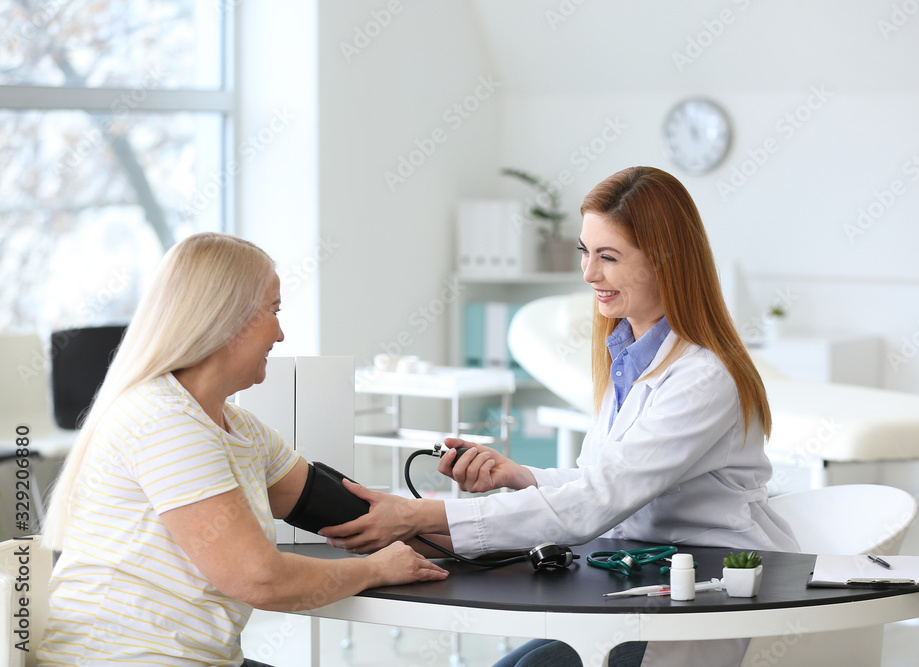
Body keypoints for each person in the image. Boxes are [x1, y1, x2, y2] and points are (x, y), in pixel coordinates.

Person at [322, 166, 798, 666]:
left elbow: (599, 499)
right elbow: (604, 481)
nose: (589, 274)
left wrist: (422, 515)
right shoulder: (629, 356)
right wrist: (520, 476)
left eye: (608, 257)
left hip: (704, 587)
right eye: (585, 252)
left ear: (664, 261)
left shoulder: (703, 377)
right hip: (635, 575)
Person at [38, 232, 448, 667]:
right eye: (274, 310)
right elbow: (260, 580)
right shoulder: (162, 421)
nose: (281, 332)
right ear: (225, 317)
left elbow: (351, 515)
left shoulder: (240, 429)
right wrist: (376, 569)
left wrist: (482, 534)